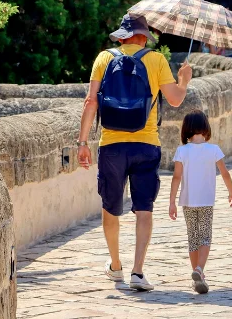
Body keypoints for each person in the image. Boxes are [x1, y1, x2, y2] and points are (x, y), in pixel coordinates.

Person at [77, 14, 193, 291]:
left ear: (122, 35)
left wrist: (82, 143)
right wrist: (184, 80)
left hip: (112, 144)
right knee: (144, 209)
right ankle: (137, 272)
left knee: (110, 207)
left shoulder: (103, 58)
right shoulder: (155, 60)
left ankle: (115, 265)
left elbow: (91, 101)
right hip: (146, 143)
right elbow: (175, 100)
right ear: (144, 36)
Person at [168, 110, 232, 294]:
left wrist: (172, 202)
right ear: (205, 128)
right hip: (206, 201)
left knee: (193, 238)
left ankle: (198, 275)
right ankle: (199, 270)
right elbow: (225, 173)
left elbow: (176, 177)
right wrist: (231, 194)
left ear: (186, 130)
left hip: (188, 202)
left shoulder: (182, 151)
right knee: (205, 237)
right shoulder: (213, 150)